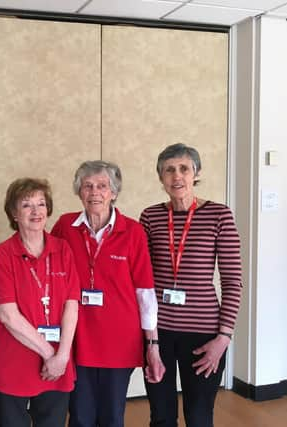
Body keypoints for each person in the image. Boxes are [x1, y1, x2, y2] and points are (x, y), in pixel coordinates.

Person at [51, 160, 164, 427]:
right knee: (80, 414)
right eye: (87, 186)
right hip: (77, 336)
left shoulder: (133, 231)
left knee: (112, 416)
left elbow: (145, 292)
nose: (94, 192)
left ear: (113, 192)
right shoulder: (65, 227)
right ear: (79, 192)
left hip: (119, 339)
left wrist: (153, 345)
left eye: (102, 186)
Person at [140, 143, 242, 427]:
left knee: (198, 417)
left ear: (196, 173)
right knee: (161, 416)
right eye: (169, 170)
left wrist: (223, 338)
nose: (177, 176)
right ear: (161, 178)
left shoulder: (219, 215)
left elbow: (233, 281)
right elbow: (143, 282)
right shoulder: (150, 217)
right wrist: (150, 340)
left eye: (184, 169)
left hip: (204, 337)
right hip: (158, 332)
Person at [0, 178, 80, 427]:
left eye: (41, 204)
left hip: (57, 363)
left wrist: (62, 356)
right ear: (14, 213)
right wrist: (50, 354)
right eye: (27, 205)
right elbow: (8, 315)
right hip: (13, 360)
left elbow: (72, 305)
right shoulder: (4, 253)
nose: (36, 211)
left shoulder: (63, 249)